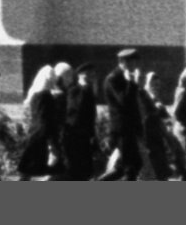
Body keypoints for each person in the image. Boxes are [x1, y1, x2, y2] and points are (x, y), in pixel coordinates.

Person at [100, 49, 145, 179]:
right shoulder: (114, 78)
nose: (134, 65)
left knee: (129, 165)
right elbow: (124, 101)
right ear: (122, 62)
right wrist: (132, 83)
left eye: (135, 62)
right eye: (130, 62)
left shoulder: (126, 77)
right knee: (131, 166)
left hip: (130, 128)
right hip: (122, 128)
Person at [58, 63, 99, 181]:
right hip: (75, 136)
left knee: (86, 171)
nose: (93, 76)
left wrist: (92, 134)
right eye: (89, 73)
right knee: (76, 170)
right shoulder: (75, 89)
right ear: (81, 75)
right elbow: (75, 111)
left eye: (93, 74)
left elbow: (91, 115)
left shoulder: (88, 90)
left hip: (85, 135)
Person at [16, 66, 59, 179]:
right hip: (41, 134)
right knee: (35, 167)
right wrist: (52, 140)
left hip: (36, 133)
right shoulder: (44, 95)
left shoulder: (36, 94)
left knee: (29, 168)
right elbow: (45, 118)